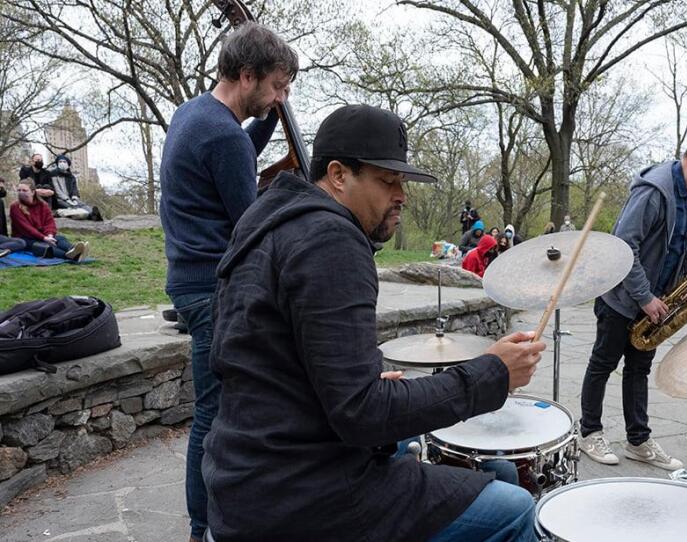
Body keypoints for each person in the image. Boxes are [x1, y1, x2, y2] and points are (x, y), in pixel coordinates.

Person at [202, 104, 545, 541]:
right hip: (299, 496)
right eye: (387, 180)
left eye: (401, 181)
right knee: (515, 508)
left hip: (243, 477)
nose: (401, 194)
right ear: (339, 174)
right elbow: (361, 415)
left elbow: (267, 361)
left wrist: (362, 379)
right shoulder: (331, 240)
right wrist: (492, 373)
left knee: (484, 470)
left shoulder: (267, 223)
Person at [158, 21, 297, 542]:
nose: (281, 97)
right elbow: (251, 225)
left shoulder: (196, 113)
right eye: (277, 87)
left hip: (189, 282)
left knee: (217, 410)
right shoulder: (222, 136)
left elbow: (239, 149)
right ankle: (203, 528)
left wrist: (271, 118)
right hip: (212, 290)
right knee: (213, 416)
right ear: (246, 74)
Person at [579, 129, 687, 470]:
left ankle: (638, 440)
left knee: (638, 371)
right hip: (621, 297)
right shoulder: (653, 190)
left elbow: (672, 238)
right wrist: (645, 296)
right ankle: (589, 432)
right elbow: (624, 246)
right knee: (603, 365)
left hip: (655, 301)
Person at [9, 179, 89, 261]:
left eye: (24, 190)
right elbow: (26, 228)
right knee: (43, 247)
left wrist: (50, 235)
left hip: (42, 235)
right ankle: (70, 256)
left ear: (32, 192)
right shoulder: (15, 207)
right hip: (24, 238)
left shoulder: (43, 205)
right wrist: (44, 238)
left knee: (59, 239)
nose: (21, 192)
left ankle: (74, 250)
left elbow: (50, 223)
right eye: (19, 190)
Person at [46, 155, 102, 221]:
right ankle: (89, 215)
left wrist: (74, 198)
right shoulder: (53, 174)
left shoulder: (71, 176)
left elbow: (74, 189)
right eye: (60, 161)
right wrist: (67, 199)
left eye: (64, 162)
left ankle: (93, 214)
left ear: (68, 164)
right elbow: (57, 190)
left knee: (82, 204)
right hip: (58, 199)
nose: (62, 163)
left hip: (71, 198)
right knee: (72, 206)